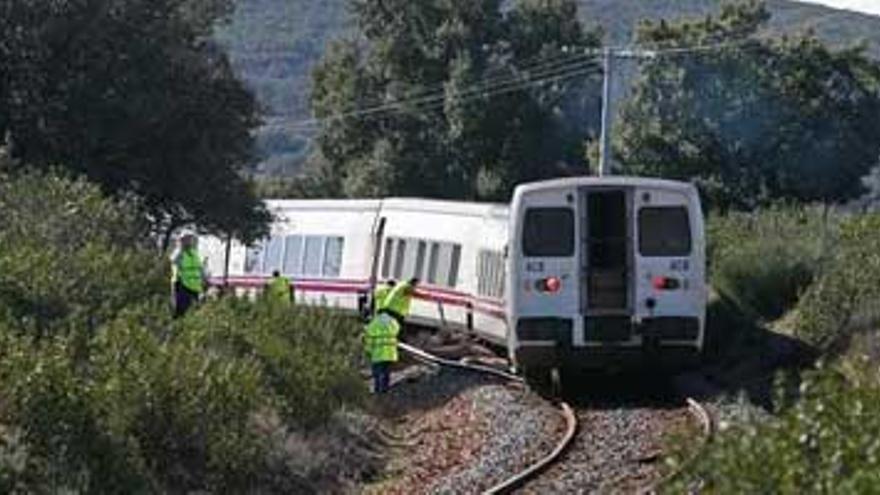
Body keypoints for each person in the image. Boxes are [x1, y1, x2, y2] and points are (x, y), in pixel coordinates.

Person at [363, 312, 400, 394]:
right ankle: (385, 390)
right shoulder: (393, 323)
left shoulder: (373, 325)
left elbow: (369, 340)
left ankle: (377, 390)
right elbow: (397, 331)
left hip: (378, 354)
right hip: (390, 354)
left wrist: (368, 351)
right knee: (387, 373)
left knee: (377, 374)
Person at [170, 231, 205, 317]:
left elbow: (199, 269)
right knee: (181, 312)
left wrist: (202, 284)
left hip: (195, 287)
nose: (189, 241)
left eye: (190, 239)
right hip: (183, 286)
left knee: (193, 313)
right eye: (187, 239)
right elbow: (173, 263)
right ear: (182, 240)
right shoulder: (179, 253)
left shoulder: (194, 253)